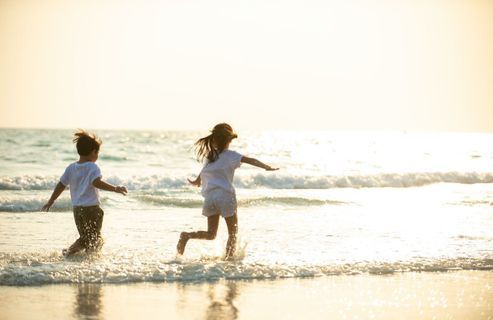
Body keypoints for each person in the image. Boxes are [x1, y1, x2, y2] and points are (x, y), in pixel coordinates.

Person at [176, 123, 278, 260]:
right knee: (233, 233)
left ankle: (187, 235)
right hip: (225, 196)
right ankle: (229, 261)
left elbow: (205, 171)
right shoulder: (231, 155)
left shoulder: (210, 155)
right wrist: (266, 167)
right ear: (229, 140)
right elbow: (251, 160)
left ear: (214, 139)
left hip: (210, 198)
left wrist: (196, 181)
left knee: (211, 234)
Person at [42, 130, 127, 256]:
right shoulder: (93, 167)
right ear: (94, 152)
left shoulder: (71, 167)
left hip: (77, 210)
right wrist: (115, 188)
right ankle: (69, 253)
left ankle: (85, 257)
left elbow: (61, 185)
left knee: (87, 237)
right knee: (93, 238)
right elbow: (96, 183)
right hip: (91, 209)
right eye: (97, 153)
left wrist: (51, 201)